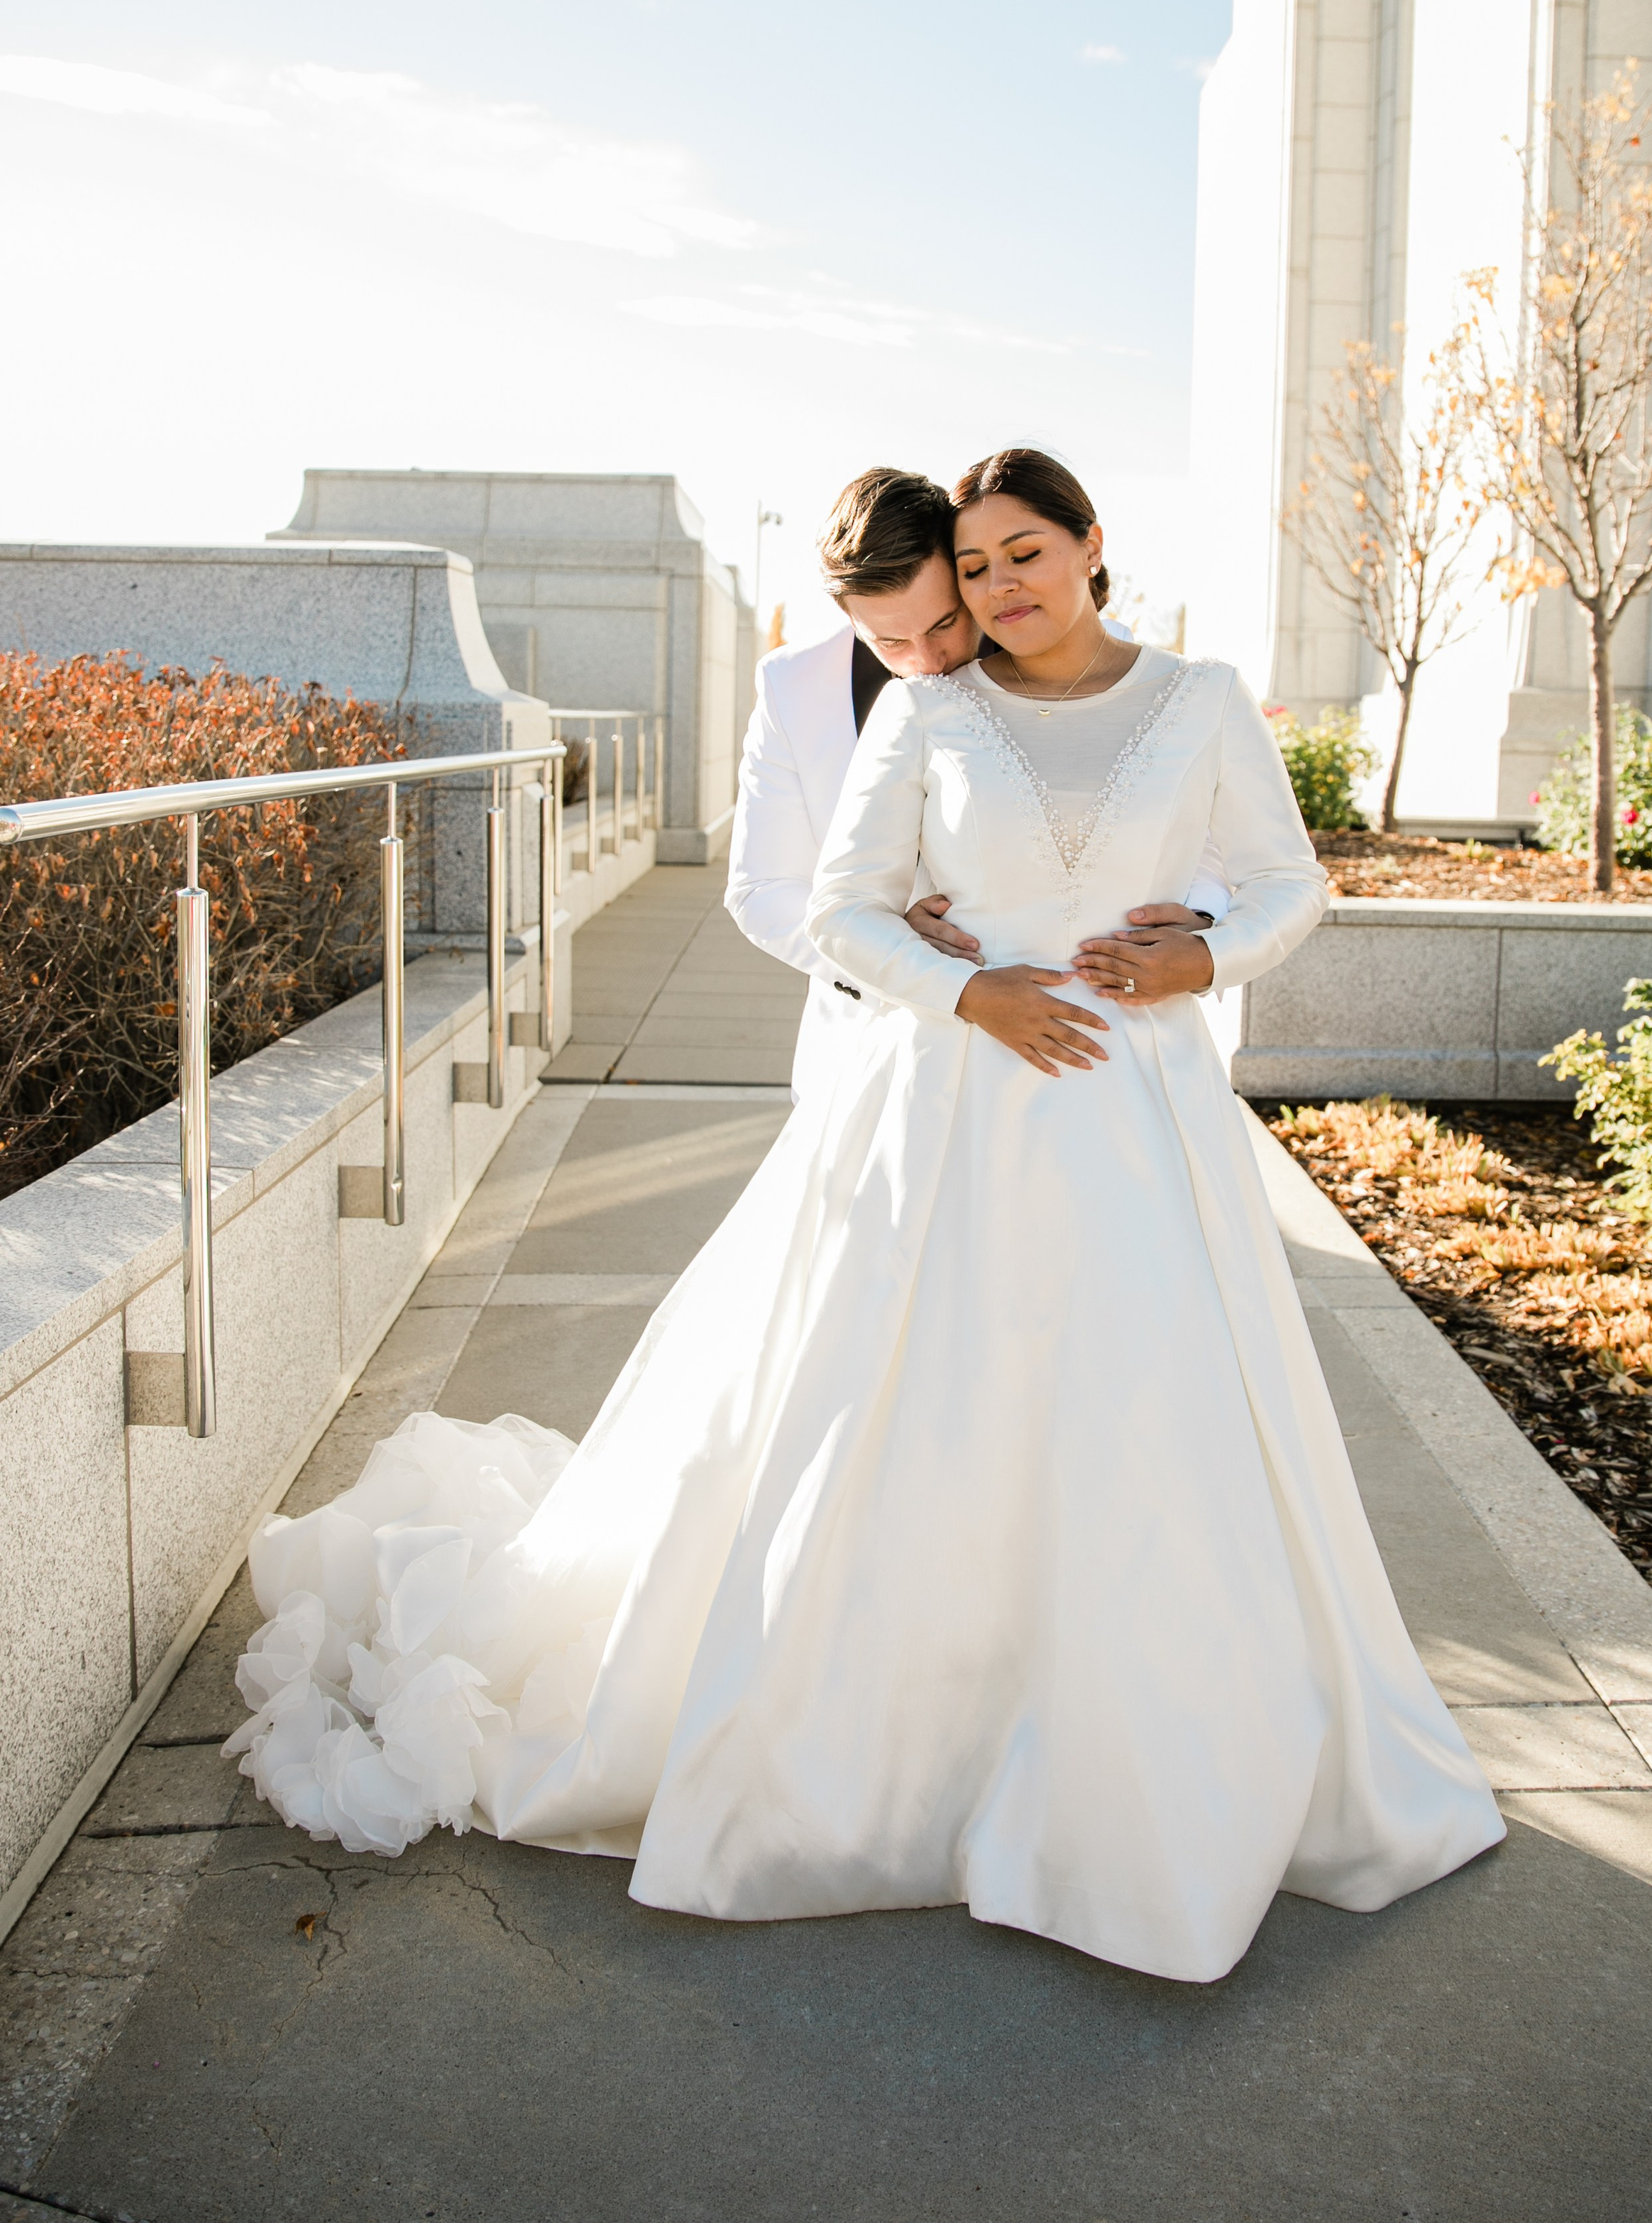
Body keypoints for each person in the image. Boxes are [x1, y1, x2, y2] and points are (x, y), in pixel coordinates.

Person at [228, 445, 1502, 1985]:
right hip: (949, 1106)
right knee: (914, 1411)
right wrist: (966, 991)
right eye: (974, 566)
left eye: (1024, 553)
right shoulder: (931, 710)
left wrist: (1207, 954)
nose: (999, 586)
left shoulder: (1205, 698)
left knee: (1143, 1421)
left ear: (1091, 543)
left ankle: (1145, 1772)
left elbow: (1289, 884)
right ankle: (893, 1758)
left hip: (1141, 1120)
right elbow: (832, 909)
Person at [726, 463, 1229, 1098]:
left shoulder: (1107, 666)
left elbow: (1195, 827)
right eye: (891, 641)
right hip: (866, 1049)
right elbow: (762, 888)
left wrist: (1201, 922)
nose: (926, 662)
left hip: (1081, 1045)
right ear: (847, 616)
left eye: (943, 624)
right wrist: (899, 957)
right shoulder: (792, 686)